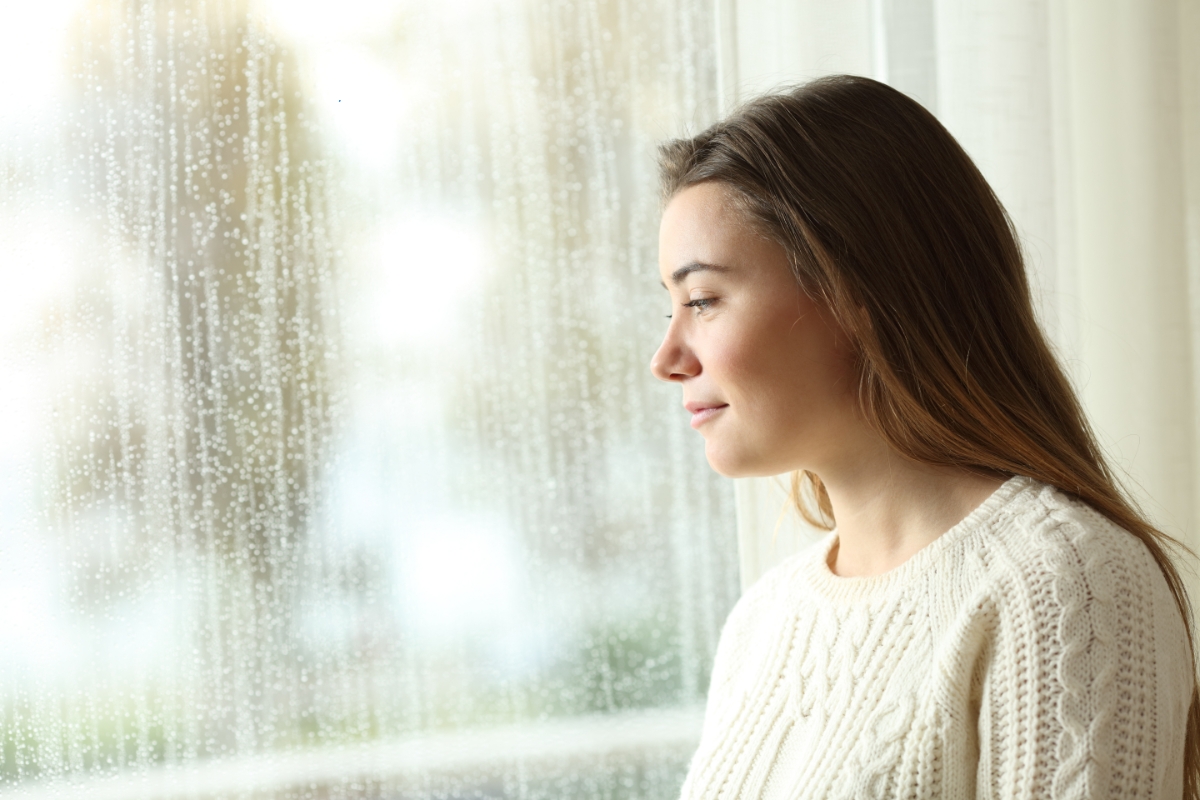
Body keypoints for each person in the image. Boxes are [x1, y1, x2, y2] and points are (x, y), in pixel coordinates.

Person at [650, 75, 1198, 799]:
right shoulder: (764, 622)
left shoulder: (1067, 584)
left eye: (704, 301)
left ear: (859, 290)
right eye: (670, 309)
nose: (667, 360)